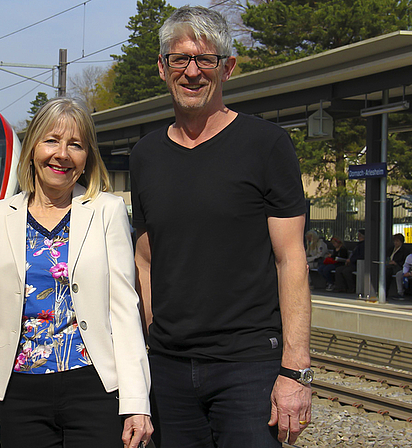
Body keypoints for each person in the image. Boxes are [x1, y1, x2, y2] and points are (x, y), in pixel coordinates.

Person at [130, 6, 312, 448]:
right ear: (162, 68)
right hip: (170, 370)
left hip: (248, 366)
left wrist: (295, 372)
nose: (192, 72)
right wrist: (155, 344)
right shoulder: (145, 156)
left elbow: (291, 260)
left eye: (205, 60)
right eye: (179, 59)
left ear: (227, 68)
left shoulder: (266, 146)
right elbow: (146, 258)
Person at [0, 98, 152, 448]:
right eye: (52, 141)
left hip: (96, 389)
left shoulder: (107, 212)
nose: (62, 154)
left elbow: (124, 310)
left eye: (76, 145)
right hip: (18, 393)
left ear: (87, 158)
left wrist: (136, 402)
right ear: (33, 148)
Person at [334, 229, 365, 294]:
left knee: (346, 271)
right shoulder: (358, 244)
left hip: (357, 264)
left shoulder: (363, 245)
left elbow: (362, 256)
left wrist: (351, 260)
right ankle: (341, 287)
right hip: (351, 263)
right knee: (339, 270)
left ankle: (351, 287)